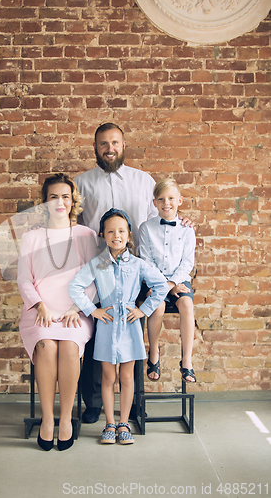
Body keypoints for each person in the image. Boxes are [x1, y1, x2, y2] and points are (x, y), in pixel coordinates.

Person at [74, 122, 194, 423]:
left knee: (133, 335)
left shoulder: (143, 181)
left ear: (123, 145)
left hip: (137, 270)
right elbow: (71, 225)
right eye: (103, 143)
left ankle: (135, 404)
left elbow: (161, 220)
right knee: (94, 335)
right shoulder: (82, 183)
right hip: (97, 271)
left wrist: (183, 221)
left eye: (115, 142)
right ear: (95, 147)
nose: (109, 148)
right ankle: (93, 404)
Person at [68, 209, 169, 444]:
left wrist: (142, 310)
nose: (117, 235)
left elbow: (161, 285)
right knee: (107, 377)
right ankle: (109, 425)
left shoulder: (138, 264)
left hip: (130, 325)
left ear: (129, 234)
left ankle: (124, 423)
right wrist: (93, 310)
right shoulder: (97, 263)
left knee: (126, 375)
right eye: (111, 231)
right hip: (107, 323)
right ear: (103, 234)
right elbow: (75, 287)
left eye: (121, 231)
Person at [17, 173, 98, 451]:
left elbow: (95, 277)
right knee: (47, 346)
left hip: (76, 310)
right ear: (45, 202)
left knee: (69, 346)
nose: (60, 202)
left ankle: (66, 418)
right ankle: (48, 418)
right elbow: (24, 279)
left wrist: (78, 307)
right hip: (40, 312)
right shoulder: (32, 237)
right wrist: (40, 305)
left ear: (73, 200)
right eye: (53, 197)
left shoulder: (86, 235)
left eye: (65, 196)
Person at [139, 178, 196, 383]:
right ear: (154, 203)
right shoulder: (146, 228)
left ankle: (187, 361)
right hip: (154, 281)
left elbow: (187, 262)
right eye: (161, 199)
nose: (166, 203)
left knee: (187, 304)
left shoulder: (187, 229)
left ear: (179, 200)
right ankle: (154, 353)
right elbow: (146, 260)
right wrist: (163, 285)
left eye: (171, 198)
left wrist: (172, 284)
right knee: (158, 307)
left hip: (179, 281)